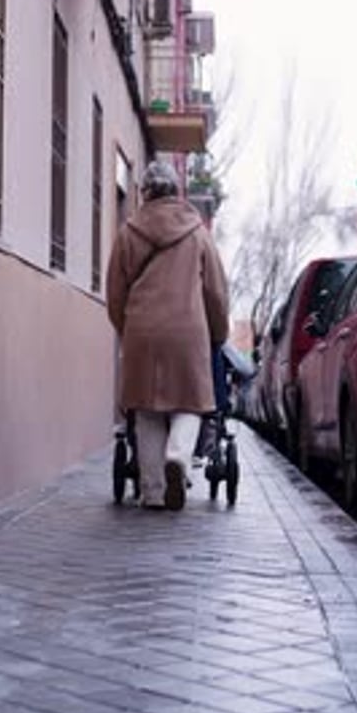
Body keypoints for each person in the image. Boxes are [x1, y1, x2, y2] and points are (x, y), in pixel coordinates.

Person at [106, 160, 229, 511]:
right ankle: (178, 456)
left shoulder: (129, 233)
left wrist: (126, 327)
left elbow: (115, 293)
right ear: (176, 190)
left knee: (145, 411)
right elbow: (216, 293)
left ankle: (154, 491)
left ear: (144, 192)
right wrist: (217, 334)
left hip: (141, 332)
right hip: (188, 331)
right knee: (190, 403)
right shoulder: (198, 233)